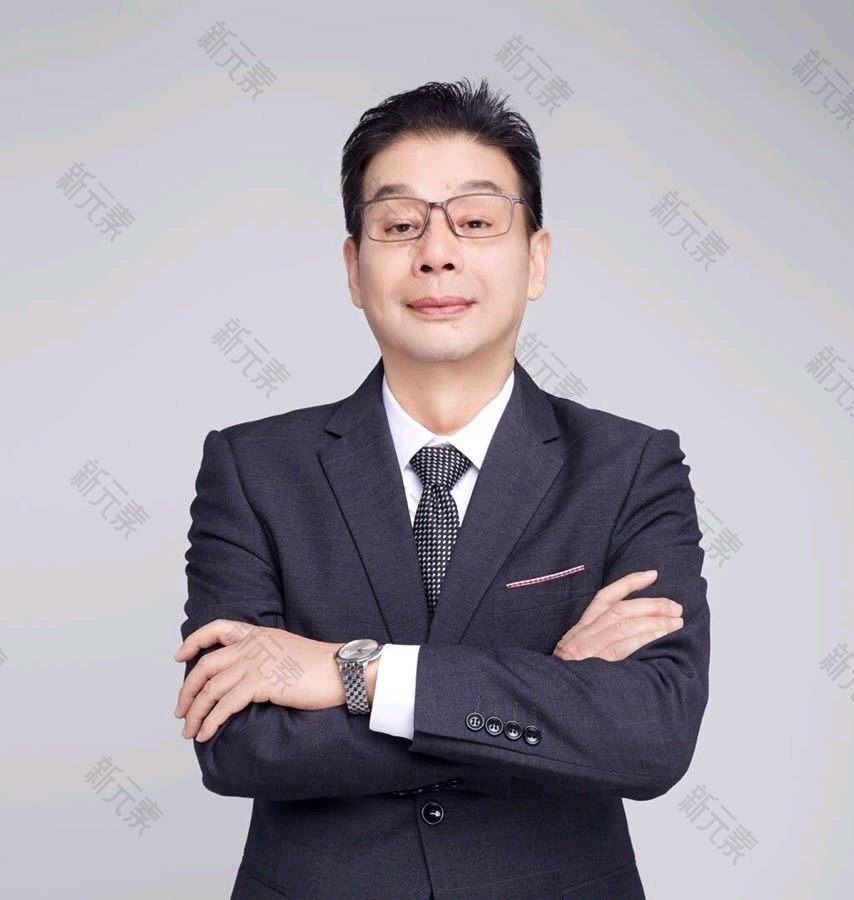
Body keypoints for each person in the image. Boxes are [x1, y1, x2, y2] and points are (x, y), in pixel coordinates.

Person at [173, 76, 710, 900]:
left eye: (476, 221)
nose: (436, 252)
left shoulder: (629, 466)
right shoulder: (253, 468)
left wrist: (357, 675)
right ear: (354, 269)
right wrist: (547, 687)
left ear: (536, 258)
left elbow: (649, 737)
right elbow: (239, 744)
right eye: (399, 225)